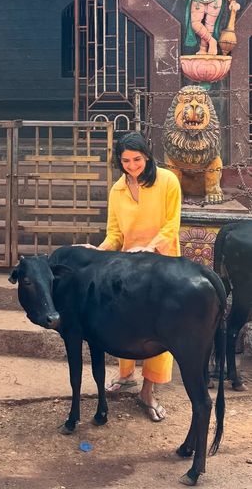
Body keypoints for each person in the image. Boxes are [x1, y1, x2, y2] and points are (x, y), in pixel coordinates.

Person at [97, 131, 182, 422]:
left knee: (159, 329)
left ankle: (148, 390)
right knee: (125, 322)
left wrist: (150, 247)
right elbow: (114, 234)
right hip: (129, 268)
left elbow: (172, 225)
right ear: (119, 162)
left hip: (162, 266)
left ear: (147, 156)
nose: (132, 166)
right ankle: (125, 374)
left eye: (137, 159)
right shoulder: (117, 190)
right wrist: (98, 251)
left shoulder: (168, 181)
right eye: (126, 161)